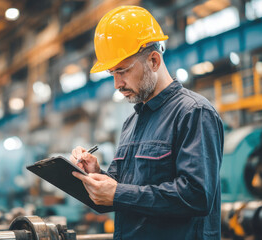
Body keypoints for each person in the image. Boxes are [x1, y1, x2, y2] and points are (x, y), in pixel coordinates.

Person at [70, 6, 223, 240]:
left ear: (153, 60)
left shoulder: (193, 113)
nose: (117, 84)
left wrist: (118, 193)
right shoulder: (132, 122)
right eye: (112, 73)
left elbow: (196, 196)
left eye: (122, 71)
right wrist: (97, 173)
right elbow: (123, 191)